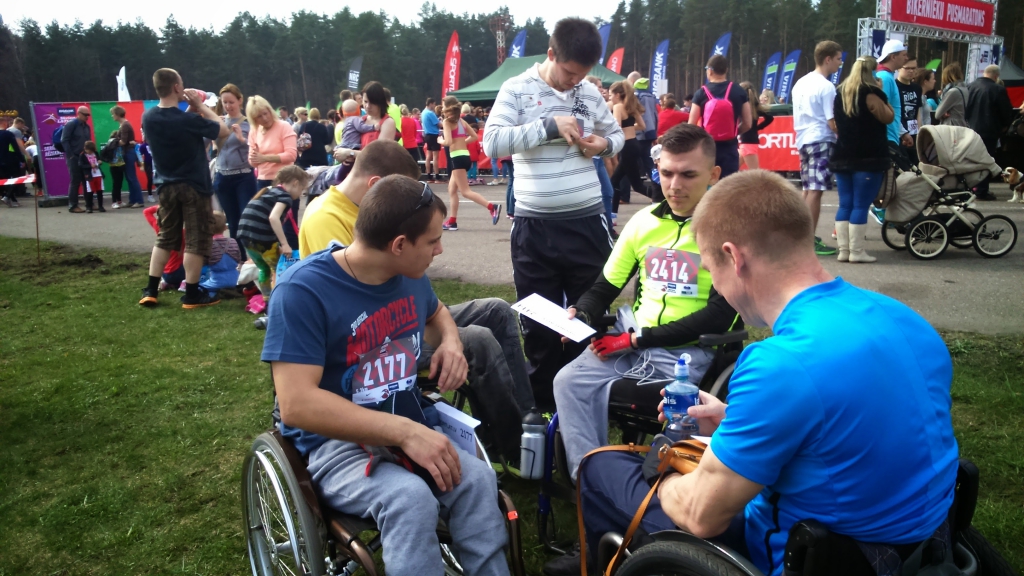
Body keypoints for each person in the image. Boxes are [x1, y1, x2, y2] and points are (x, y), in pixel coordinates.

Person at [574, 169, 958, 576]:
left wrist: (661, 478)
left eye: (711, 270)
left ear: (734, 257)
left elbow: (701, 516)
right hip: (919, 543)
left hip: (810, 556)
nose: (718, 287)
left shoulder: (781, 364)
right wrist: (733, 417)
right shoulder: (904, 319)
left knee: (603, 467)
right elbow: (857, 420)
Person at [263, 175, 511, 576]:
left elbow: (436, 312)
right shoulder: (302, 291)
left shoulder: (409, 275)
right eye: (432, 241)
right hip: (335, 443)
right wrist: (405, 433)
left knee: (479, 480)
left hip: (407, 420)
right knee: (409, 499)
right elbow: (296, 404)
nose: (440, 248)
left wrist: (451, 341)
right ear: (398, 245)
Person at [299, 140, 536, 463]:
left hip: (404, 309)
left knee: (496, 309)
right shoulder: (324, 219)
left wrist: (448, 337)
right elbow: (358, 310)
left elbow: (422, 299)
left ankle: (527, 418)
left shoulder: (373, 217)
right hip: (374, 334)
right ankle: (510, 446)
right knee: (478, 340)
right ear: (377, 186)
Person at [548, 124, 738, 506]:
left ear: (714, 175)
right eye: (666, 173)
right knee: (568, 381)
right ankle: (590, 484)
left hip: (686, 353)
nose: (674, 185)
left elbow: (720, 315)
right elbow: (605, 286)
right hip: (632, 341)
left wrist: (637, 340)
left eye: (688, 175)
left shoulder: (727, 231)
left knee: (675, 408)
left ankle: (657, 497)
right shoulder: (644, 221)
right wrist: (581, 311)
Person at [483, 17, 625, 410]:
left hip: (587, 223)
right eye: (569, 73)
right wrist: (547, 126)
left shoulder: (589, 92)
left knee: (589, 318)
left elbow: (616, 135)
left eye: (582, 74)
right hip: (534, 227)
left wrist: (602, 146)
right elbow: (492, 143)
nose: (574, 82)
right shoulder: (516, 89)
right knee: (540, 325)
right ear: (550, 54)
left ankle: (587, 403)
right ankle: (544, 410)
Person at [139, 68, 229, 309]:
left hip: (166, 185)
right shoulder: (187, 120)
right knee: (195, 239)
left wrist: (190, 110)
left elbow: (175, 124)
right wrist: (200, 105)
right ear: (177, 87)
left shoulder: (149, 117)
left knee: (165, 237)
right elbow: (222, 129)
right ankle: (191, 293)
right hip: (194, 185)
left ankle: (151, 289)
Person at [830, 56, 894, 264]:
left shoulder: (841, 92)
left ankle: (844, 250)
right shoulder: (871, 93)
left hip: (842, 155)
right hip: (868, 157)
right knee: (860, 205)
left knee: (845, 204)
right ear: (871, 72)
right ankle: (857, 252)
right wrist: (882, 93)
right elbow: (888, 116)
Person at [790, 40, 843, 256]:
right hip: (820, 139)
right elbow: (832, 121)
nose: (840, 63)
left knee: (808, 190)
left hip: (803, 139)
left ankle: (800, 237)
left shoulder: (800, 82)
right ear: (828, 59)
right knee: (815, 191)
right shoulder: (826, 86)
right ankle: (807, 240)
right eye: (838, 59)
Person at [237, 165, 308, 303]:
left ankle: (268, 302)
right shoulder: (285, 196)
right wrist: (285, 244)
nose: (300, 194)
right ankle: (281, 301)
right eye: (302, 189)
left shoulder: (269, 191)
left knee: (263, 269)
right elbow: (273, 218)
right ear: (295, 183)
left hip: (245, 235)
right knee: (279, 269)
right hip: (262, 237)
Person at [438, 96, 502, 230]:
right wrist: (462, 143)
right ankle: (452, 221)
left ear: (448, 107)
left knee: (465, 191)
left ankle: (492, 207)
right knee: (451, 190)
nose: (442, 108)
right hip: (465, 156)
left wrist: (440, 141)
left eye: (443, 105)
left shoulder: (447, 121)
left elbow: (448, 142)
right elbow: (474, 136)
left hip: (457, 158)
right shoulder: (461, 121)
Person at [688, 55, 752, 179]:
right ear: (726, 70)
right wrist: (733, 132)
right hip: (730, 148)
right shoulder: (739, 91)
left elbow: (691, 125)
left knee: (707, 182)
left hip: (707, 148)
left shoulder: (701, 93)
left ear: (710, 71)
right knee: (728, 185)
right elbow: (748, 123)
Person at [247, 95, 299, 247]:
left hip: (285, 182)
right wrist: (255, 157)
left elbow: (291, 155)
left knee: (288, 226)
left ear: (270, 110)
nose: (264, 118)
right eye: (259, 116)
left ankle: (294, 256)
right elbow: (252, 161)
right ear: (253, 119)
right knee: (265, 226)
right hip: (263, 182)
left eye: (266, 113)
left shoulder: (284, 126)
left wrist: (264, 158)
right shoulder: (254, 131)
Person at [213, 83, 257, 254]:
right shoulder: (219, 122)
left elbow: (257, 148)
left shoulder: (248, 124)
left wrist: (242, 140)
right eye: (224, 102)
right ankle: (237, 257)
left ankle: (252, 257)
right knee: (232, 221)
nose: (228, 106)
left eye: (231, 102)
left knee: (246, 219)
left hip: (243, 176)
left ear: (240, 101)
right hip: (222, 176)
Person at [966, 64, 1015, 201]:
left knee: (971, 160)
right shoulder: (998, 89)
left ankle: (970, 187)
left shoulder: (970, 87)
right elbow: (1006, 111)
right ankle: (982, 189)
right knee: (986, 160)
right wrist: (1005, 126)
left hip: (970, 129)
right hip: (989, 130)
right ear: (996, 76)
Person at [609, 81, 648, 213]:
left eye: (611, 95)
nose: (610, 98)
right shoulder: (631, 107)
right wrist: (629, 128)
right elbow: (642, 126)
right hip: (634, 144)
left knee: (634, 185)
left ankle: (661, 197)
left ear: (617, 95)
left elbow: (616, 127)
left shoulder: (618, 107)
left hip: (626, 147)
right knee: (618, 181)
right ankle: (613, 213)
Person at [200, 211, 242, 298]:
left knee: (197, 287)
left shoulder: (208, 245)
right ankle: (228, 291)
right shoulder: (233, 241)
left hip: (216, 281)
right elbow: (238, 258)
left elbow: (203, 263)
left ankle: (215, 293)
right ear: (225, 227)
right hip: (236, 280)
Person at [110, 105, 145, 207]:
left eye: (113, 114)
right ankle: (132, 200)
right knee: (129, 178)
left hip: (128, 153)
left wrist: (112, 143)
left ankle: (139, 201)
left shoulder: (125, 125)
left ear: (117, 114)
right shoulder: (124, 124)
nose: (112, 116)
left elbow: (123, 141)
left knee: (132, 177)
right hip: (127, 152)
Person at [60, 106, 92, 213]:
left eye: (88, 115)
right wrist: (71, 156)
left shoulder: (87, 127)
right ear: (79, 113)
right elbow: (64, 140)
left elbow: (89, 142)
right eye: (85, 115)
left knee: (87, 181)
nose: (87, 117)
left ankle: (89, 204)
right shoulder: (71, 124)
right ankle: (73, 205)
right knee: (75, 181)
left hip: (85, 157)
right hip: (74, 157)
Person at [738, 81, 774, 171]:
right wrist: (757, 128)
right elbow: (770, 118)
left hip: (746, 143)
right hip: (749, 142)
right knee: (731, 169)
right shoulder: (756, 106)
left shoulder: (741, 106)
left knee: (755, 174)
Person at [896, 58, 925, 165]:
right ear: (899, 68)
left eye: (914, 68)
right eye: (907, 68)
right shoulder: (894, 86)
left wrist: (920, 131)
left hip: (914, 132)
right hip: (899, 133)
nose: (911, 71)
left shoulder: (917, 88)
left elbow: (918, 111)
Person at [935, 63, 968, 128]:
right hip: (962, 125)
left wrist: (943, 114)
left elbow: (937, 114)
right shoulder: (965, 89)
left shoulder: (953, 92)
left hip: (951, 126)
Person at [80, 140, 106, 213]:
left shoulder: (96, 153)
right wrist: (90, 166)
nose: (91, 152)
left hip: (98, 174)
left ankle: (101, 206)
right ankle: (89, 207)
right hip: (89, 175)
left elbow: (99, 160)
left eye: (92, 151)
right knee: (90, 192)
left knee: (99, 191)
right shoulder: (82, 155)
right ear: (85, 149)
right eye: (89, 151)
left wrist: (99, 162)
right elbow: (81, 165)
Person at [423, 97, 441, 182]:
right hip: (434, 135)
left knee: (428, 156)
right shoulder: (430, 113)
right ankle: (437, 176)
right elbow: (439, 125)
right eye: (434, 104)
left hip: (427, 135)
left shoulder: (423, 112)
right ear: (430, 104)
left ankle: (429, 176)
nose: (435, 106)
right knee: (435, 157)